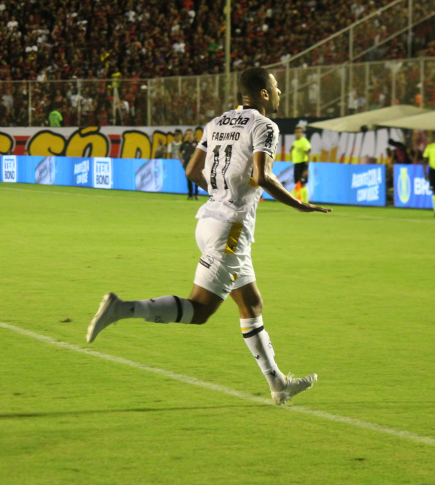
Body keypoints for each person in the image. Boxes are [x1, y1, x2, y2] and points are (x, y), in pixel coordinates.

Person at [87, 67, 332, 405]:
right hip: (231, 230)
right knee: (201, 311)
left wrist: (221, 196)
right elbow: (262, 176)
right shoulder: (265, 127)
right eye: (275, 87)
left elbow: (192, 170)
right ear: (263, 93)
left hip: (210, 223)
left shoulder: (217, 122)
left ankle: (278, 384)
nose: (279, 93)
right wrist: (299, 204)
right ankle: (122, 309)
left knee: (252, 304)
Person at [290, 126, 311, 203]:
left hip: (303, 164)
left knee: (302, 183)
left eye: (299, 132)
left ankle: (305, 202)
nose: (298, 134)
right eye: (296, 132)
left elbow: (308, 155)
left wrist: (306, 168)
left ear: (302, 133)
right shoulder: (295, 142)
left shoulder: (304, 142)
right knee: (298, 182)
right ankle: (296, 200)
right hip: (296, 164)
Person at [180, 128, 199, 200]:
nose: (188, 135)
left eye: (190, 134)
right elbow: (179, 151)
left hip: (195, 164)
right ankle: (190, 195)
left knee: (196, 180)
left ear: (193, 134)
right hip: (187, 164)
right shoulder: (184, 143)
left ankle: (196, 195)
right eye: (187, 134)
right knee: (189, 180)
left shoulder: (197, 143)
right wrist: (181, 160)